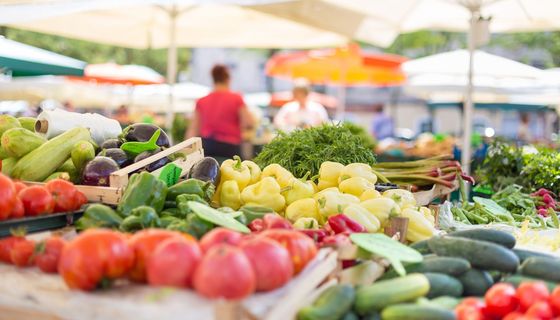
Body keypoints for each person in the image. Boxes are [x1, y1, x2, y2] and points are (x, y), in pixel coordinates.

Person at [186, 64, 255, 159]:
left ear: (213, 79)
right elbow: (249, 123)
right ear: (228, 79)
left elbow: (193, 129)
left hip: (207, 147)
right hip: (230, 148)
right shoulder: (236, 98)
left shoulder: (201, 101)